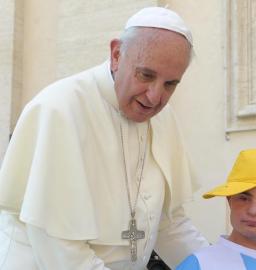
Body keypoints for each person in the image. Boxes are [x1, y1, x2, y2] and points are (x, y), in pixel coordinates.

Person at [0, 6, 208, 270]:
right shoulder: (59, 109)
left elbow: (170, 223)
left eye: (170, 84)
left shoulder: (163, 119)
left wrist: (220, 264)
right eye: (146, 75)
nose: (155, 97)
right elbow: (60, 249)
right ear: (116, 55)